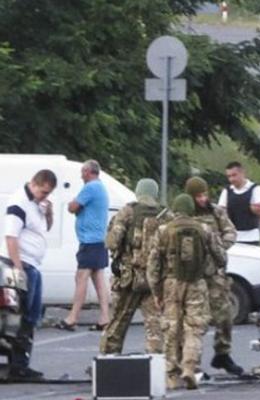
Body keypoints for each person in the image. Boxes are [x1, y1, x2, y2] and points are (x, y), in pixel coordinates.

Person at [147, 194, 228, 390]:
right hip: (196, 284)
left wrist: (156, 291)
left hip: (171, 284)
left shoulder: (163, 230)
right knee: (194, 327)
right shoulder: (204, 229)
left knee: (171, 328)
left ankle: (172, 374)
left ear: (175, 209)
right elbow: (221, 257)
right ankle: (189, 367)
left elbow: (153, 265)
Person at [1, 170, 57, 380]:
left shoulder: (36, 204)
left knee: (32, 315)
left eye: (48, 194)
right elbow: (11, 237)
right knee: (18, 314)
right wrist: (18, 269)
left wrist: (49, 212)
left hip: (33, 265)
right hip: (18, 265)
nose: (45, 196)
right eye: (43, 192)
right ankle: (16, 365)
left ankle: (21, 364)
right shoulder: (19, 203)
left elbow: (45, 229)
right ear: (34, 183)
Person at [185, 176, 243, 376]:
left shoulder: (216, 212)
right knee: (196, 321)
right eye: (198, 196)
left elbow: (230, 232)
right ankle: (194, 364)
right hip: (194, 276)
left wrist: (218, 247)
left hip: (216, 276)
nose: (202, 199)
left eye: (204, 194)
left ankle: (222, 353)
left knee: (225, 316)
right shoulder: (185, 213)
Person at [99, 179, 162, 355]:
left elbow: (112, 242)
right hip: (154, 280)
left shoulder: (127, 211)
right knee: (154, 324)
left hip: (128, 277)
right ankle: (156, 363)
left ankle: (107, 359)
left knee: (118, 321)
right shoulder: (165, 214)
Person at [58, 160, 110, 331]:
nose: (81, 176)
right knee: (98, 278)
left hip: (90, 240)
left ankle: (72, 318)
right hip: (98, 239)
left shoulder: (91, 187)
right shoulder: (100, 187)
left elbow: (73, 207)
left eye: (82, 172)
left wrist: (76, 207)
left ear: (89, 171)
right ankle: (104, 317)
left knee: (81, 277)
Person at [218, 162, 260, 245]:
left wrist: (241, 206)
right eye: (229, 176)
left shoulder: (256, 189)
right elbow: (220, 212)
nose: (231, 179)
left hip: (251, 237)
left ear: (242, 173)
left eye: (234, 175)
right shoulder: (227, 190)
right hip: (230, 237)